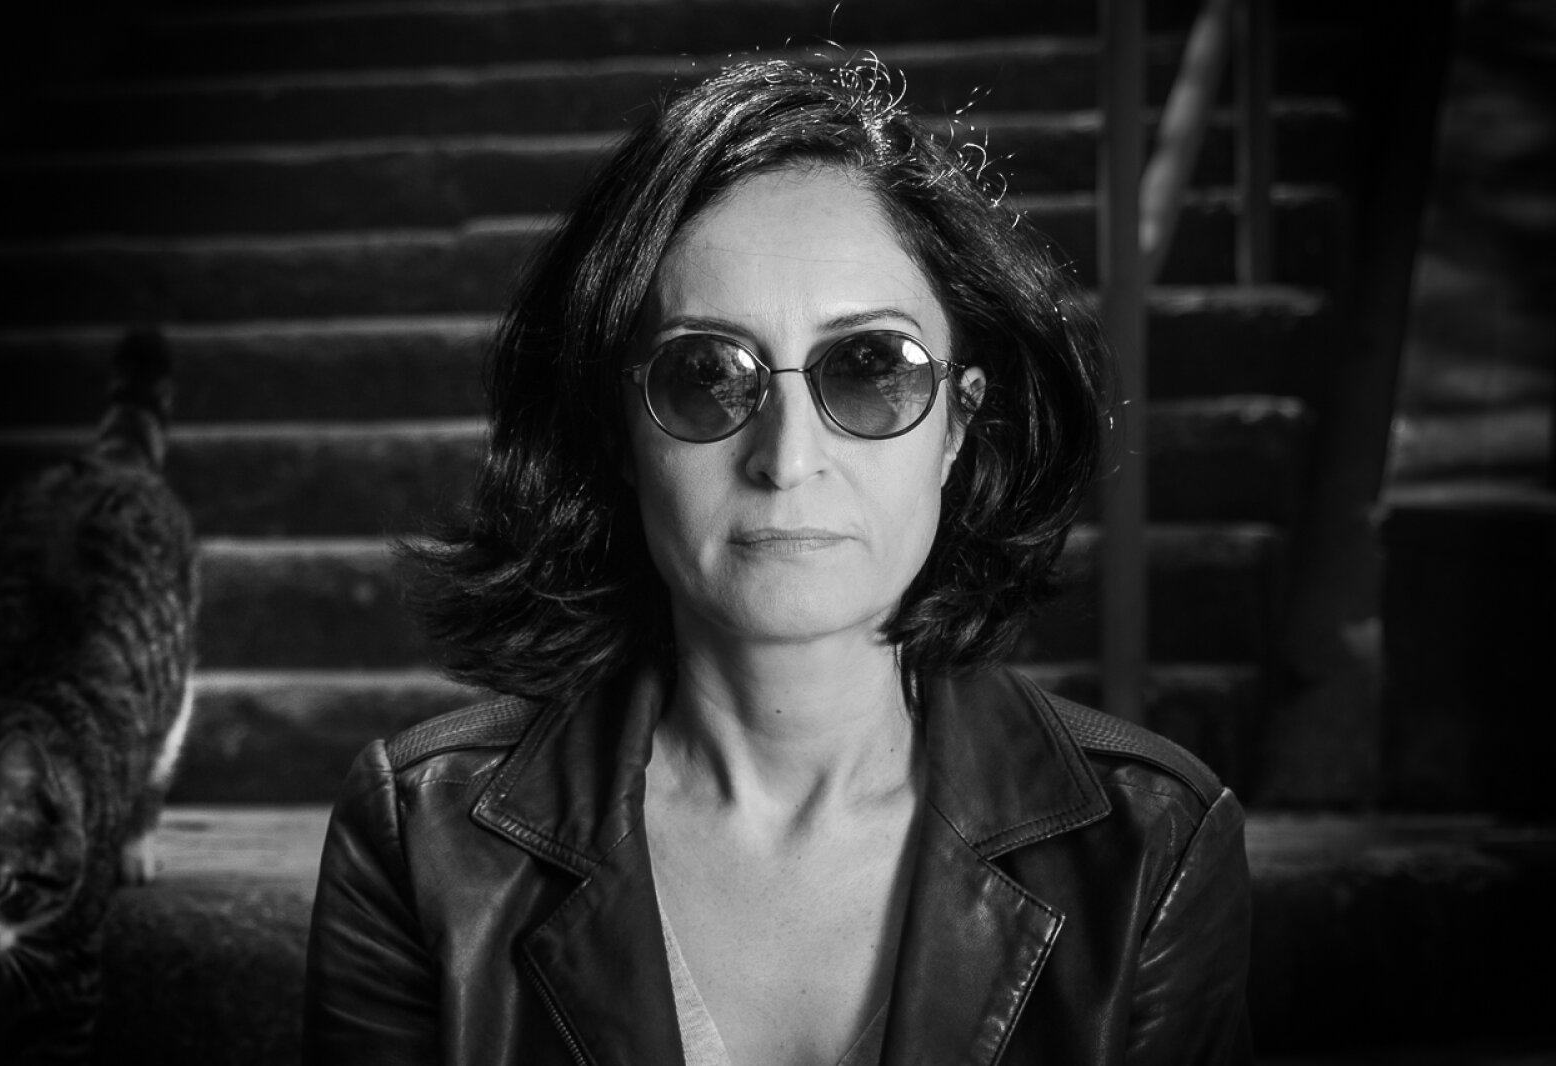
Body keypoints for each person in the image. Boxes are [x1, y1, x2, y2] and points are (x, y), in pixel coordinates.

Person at [304, 58, 1252, 1066]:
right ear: (620, 432)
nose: (788, 458)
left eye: (873, 367)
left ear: (957, 425)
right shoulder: (421, 835)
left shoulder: (1153, 845)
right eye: (706, 373)